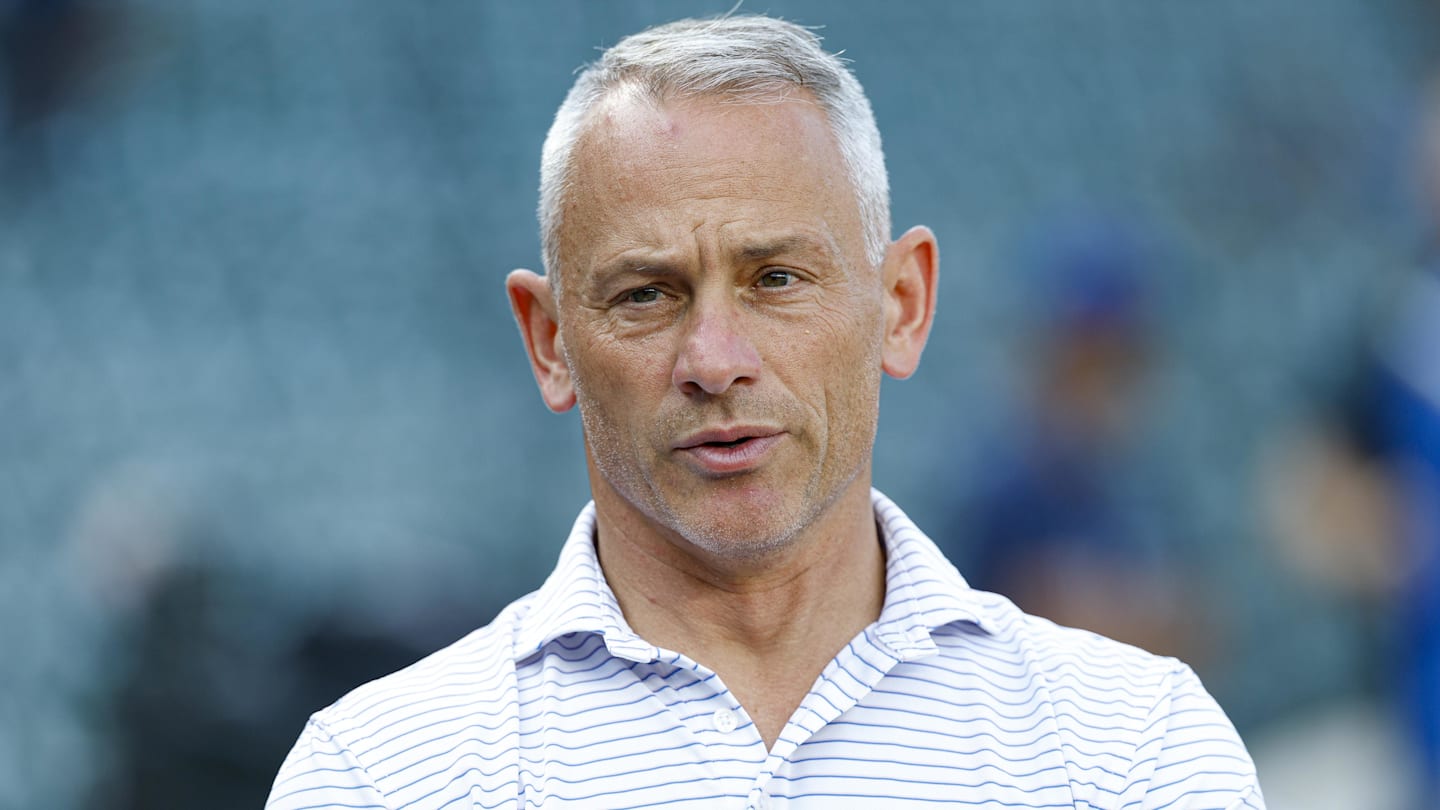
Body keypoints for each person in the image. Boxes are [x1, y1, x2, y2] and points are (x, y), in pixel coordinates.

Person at [266, 15, 1264, 809]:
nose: (715, 361)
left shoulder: (1141, 754)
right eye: (647, 293)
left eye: (776, 278)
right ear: (550, 341)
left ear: (901, 307)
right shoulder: (377, 779)